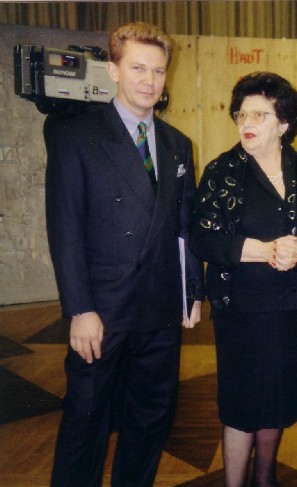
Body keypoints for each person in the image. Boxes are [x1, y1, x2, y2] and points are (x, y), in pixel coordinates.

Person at [45, 22, 204, 487]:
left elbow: (184, 226)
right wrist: (80, 309)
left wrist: (191, 291)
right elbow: (65, 229)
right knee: (86, 418)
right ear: (113, 70)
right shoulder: (76, 136)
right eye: (138, 68)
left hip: (159, 306)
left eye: (158, 71)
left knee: (151, 417)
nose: (149, 81)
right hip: (102, 308)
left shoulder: (177, 144)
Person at [189, 71, 297, 487]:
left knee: (278, 400)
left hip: (293, 308)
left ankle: (265, 479)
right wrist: (259, 251)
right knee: (241, 406)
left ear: (284, 123)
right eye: (242, 114)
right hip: (240, 308)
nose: (248, 122)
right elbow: (201, 238)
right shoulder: (221, 172)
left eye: (260, 115)